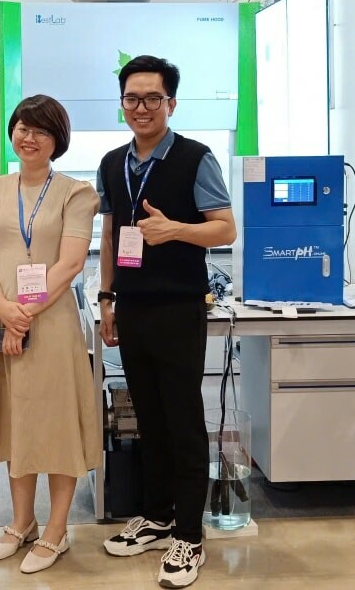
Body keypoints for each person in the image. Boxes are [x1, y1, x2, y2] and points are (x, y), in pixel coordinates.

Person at [96, 55, 236, 589]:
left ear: (170, 103)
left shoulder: (196, 158)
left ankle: (190, 536)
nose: (142, 108)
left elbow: (225, 229)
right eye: (132, 98)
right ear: (122, 104)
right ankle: (157, 518)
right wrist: (106, 299)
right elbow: (111, 234)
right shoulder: (112, 162)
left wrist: (176, 229)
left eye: (153, 98)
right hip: (132, 308)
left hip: (179, 308)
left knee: (182, 422)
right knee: (148, 419)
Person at [0, 94, 101, 574]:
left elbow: (70, 263)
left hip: (52, 323)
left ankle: (56, 530)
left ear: (57, 140)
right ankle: (21, 521)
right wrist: (4, 310)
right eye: (23, 127)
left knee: (56, 422)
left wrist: (23, 313)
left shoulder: (76, 192)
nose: (29, 137)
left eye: (41, 130)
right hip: (3, 318)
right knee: (15, 419)